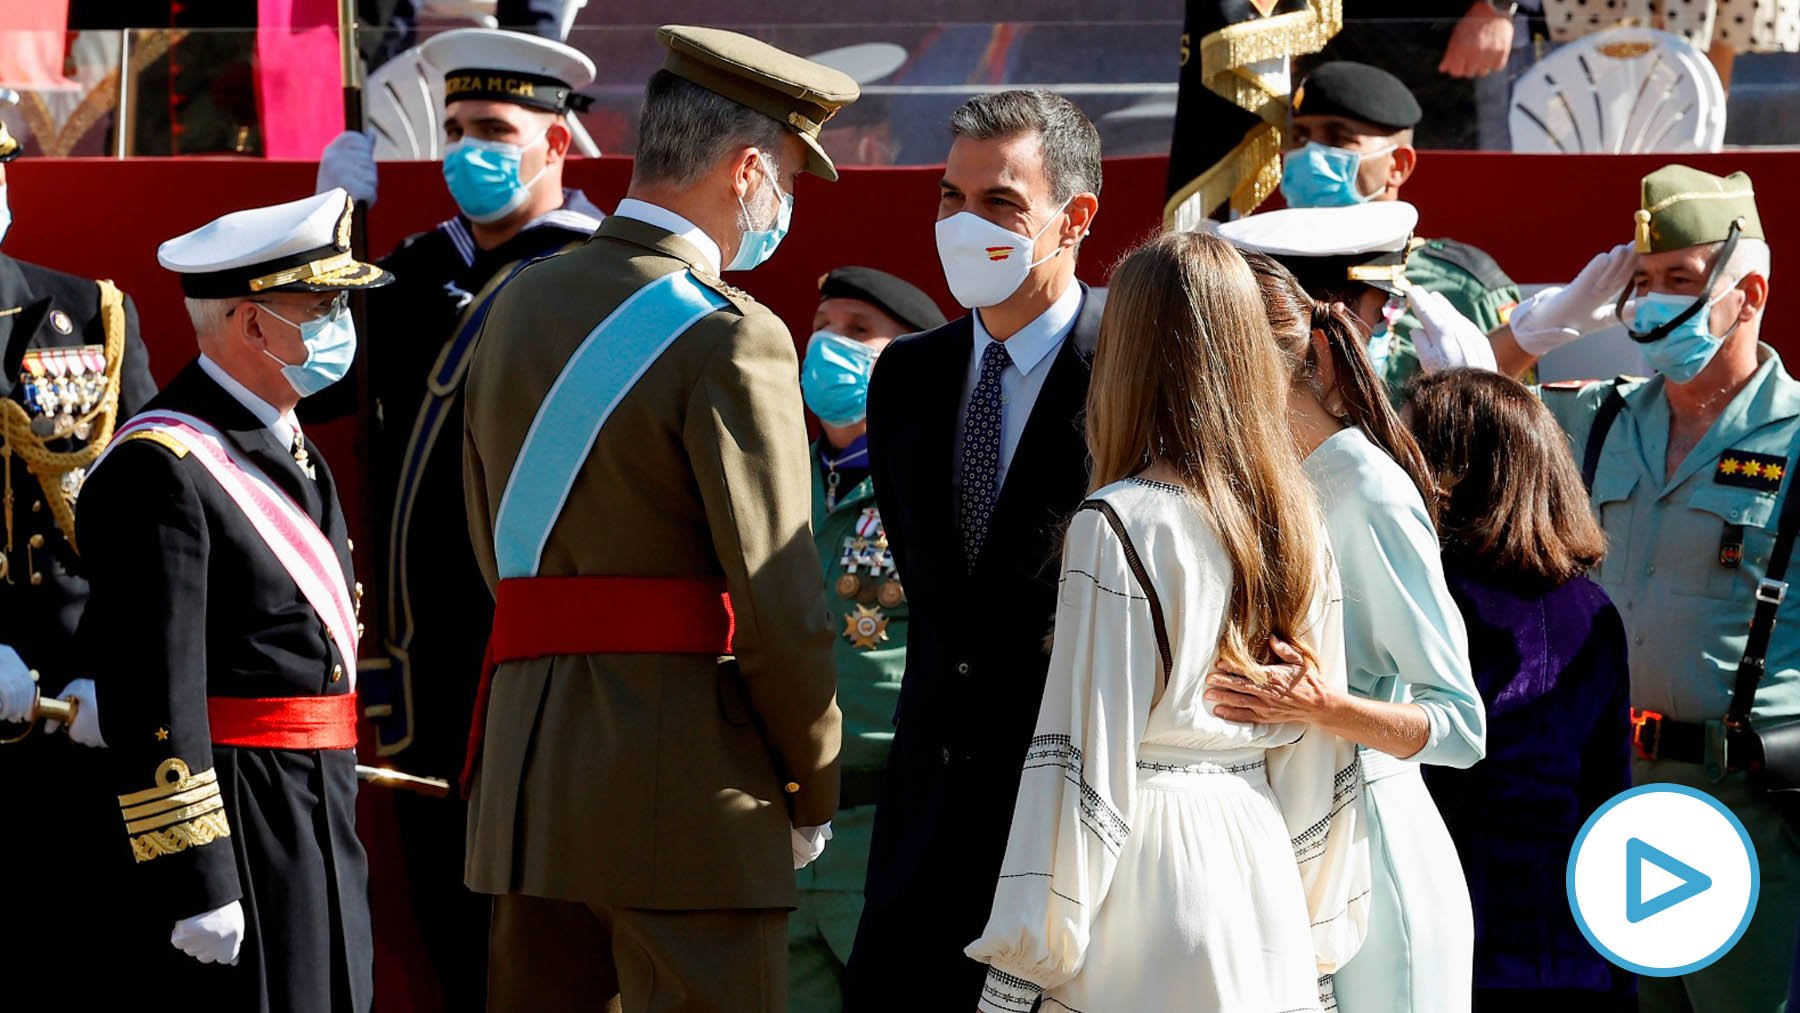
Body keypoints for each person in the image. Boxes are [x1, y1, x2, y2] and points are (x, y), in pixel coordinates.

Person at [459, 25, 856, 1011]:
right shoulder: (734, 334)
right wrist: (812, 782)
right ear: (750, 168)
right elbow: (781, 600)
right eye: (791, 181)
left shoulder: (514, 302)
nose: (784, 208)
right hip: (692, 797)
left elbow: (496, 550)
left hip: (529, 785)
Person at [964, 230, 1368, 1012]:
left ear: (1128, 354)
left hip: (1143, 882)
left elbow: (1084, 757)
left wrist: (1020, 970)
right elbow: (1322, 750)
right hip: (1263, 871)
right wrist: (1317, 947)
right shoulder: (1297, 520)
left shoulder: (1116, 523)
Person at [312, 27, 606, 1004]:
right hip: (422, 671)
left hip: (546, 668)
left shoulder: (600, 280)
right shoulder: (410, 268)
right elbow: (310, 383)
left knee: (548, 945)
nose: (470, 148)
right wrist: (328, 234)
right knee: (446, 932)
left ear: (557, 146)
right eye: (456, 127)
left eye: (496, 128)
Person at [1492, 164, 1800, 1012]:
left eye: (1681, 280)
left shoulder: (1797, 436)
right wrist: (1540, 325)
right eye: (1643, 282)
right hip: (1610, 789)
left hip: (1745, 804)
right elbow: (1460, 411)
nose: (1655, 303)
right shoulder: (1604, 418)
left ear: (1750, 292)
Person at [74, 189, 390, 1011]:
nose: (340, 322)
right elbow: (155, 685)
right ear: (252, 325)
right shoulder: (166, 463)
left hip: (316, 795)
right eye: (323, 303)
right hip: (240, 814)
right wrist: (197, 873)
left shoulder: (287, 442)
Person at [844, 88, 1104, 1008]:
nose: (964, 224)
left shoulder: (1134, 361)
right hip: (921, 835)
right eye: (951, 197)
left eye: (1000, 202)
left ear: (1074, 219)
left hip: (1072, 830)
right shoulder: (908, 378)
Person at [1207, 247, 1486, 1013]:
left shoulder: (1366, 488)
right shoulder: (1268, 484)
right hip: (1298, 855)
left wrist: (1324, 705)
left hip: (1379, 862)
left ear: (1309, 355)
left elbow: (1461, 724)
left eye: (1225, 361)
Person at [1406, 367, 1633, 1011]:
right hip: (1567, 943)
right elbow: (1606, 794)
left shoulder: (1430, 596)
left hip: (1448, 935)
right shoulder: (1592, 608)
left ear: (1451, 471)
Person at [0, 113, 159, 1005]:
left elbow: (151, 525)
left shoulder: (89, 315)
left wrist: (116, 668)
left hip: (74, 718)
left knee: (82, 959)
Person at [790, 265, 945, 1012]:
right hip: (782, 824)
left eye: (859, 331)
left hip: (888, 819)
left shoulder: (935, 478)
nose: (829, 345)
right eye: (822, 325)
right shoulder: (776, 477)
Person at [1281, 60, 1522, 398]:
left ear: (1398, 165)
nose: (1309, 154)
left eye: (1338, 138)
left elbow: (1510, 427)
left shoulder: (1464, 289)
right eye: (1300, 137)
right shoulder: (1262, 273)